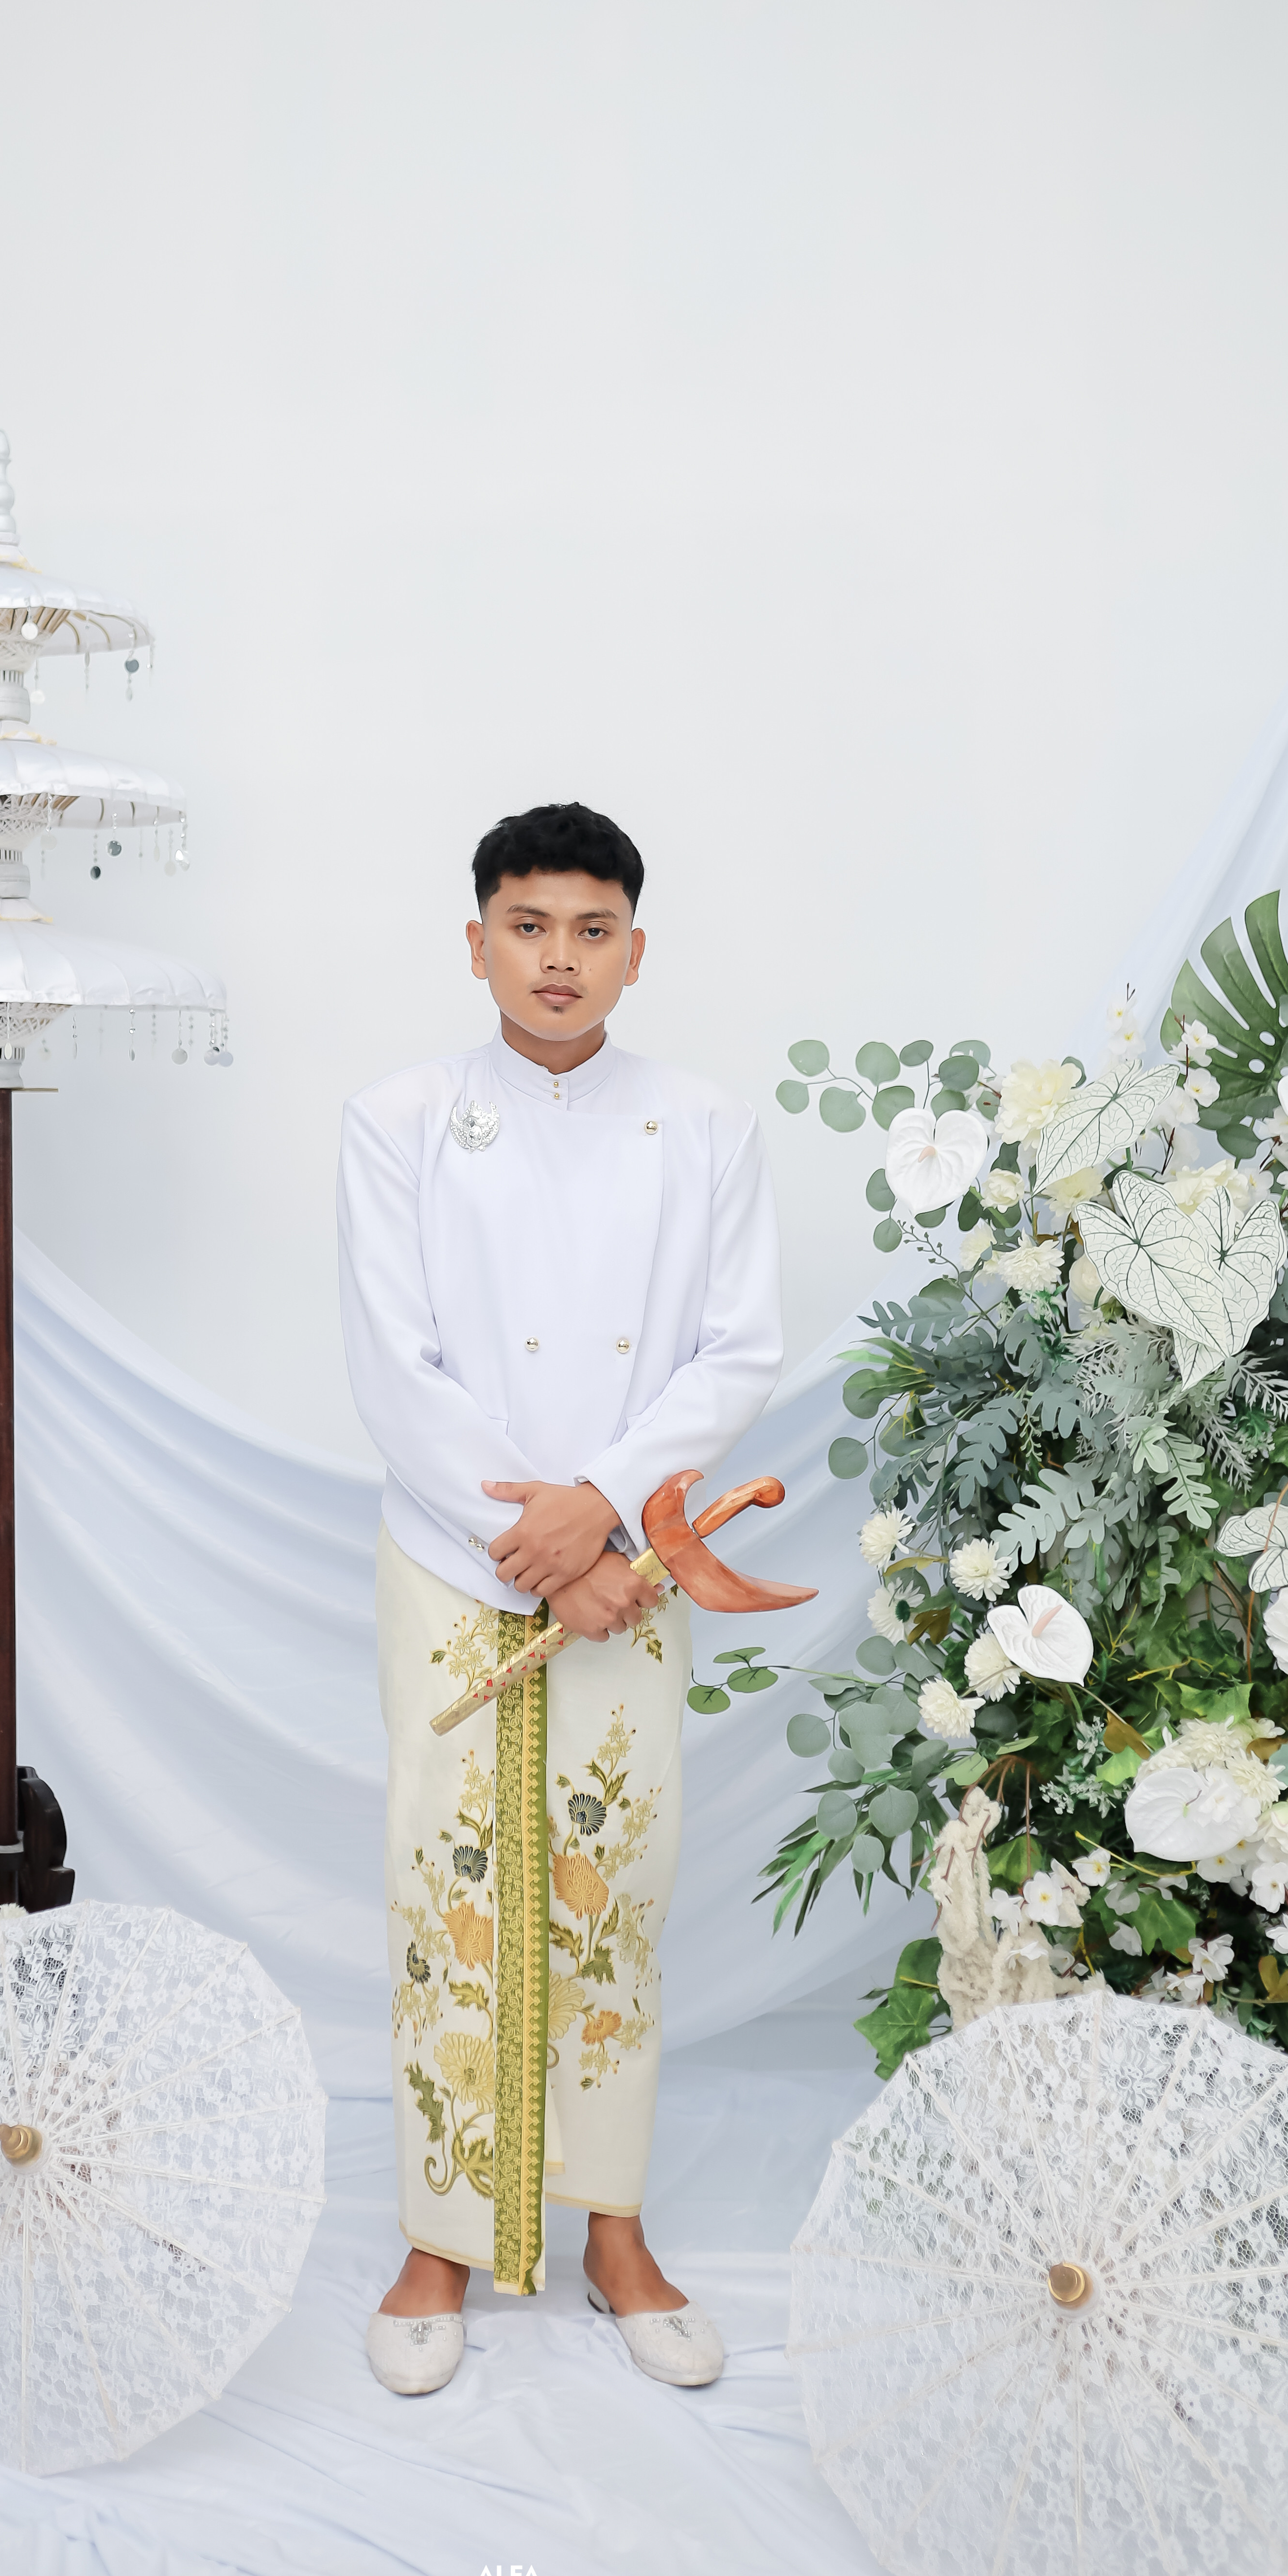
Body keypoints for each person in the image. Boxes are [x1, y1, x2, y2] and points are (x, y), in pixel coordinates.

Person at [337, 801, 783, 2397]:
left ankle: (614, 2231)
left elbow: (737, 1349)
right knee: (446, 1887)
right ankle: (439, 2239)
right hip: (451, 1555)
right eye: (529, 927)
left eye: (593, 931)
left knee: (616, 1879)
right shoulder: (399, 1118)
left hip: (633, 1563)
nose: (559, 959)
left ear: (635, 953)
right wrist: (537, 1540)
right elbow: (395, 1360)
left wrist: (605, 1517)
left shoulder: (707, 1127)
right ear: (478, 943)